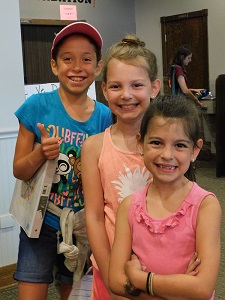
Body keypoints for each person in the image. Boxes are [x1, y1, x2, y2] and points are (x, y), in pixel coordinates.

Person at [13, 21, 112, 300]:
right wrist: (39, 154)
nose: (77, 67)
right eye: (67, 59)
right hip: (39, 224)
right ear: (55, 66)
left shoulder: (105, 117)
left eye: (86, 59)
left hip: (83, 225)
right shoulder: (36, 107)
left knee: (74, 295)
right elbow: (19, 169)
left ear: (98, 66)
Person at [109, 94, 221, 300]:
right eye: (156, 142)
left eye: (179, 145)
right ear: (140, 144)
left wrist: (140, 279)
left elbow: (202, 288)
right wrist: (176, 293)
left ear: (195, 150)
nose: (167, 154)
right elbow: (115, 280)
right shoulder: (129, 206)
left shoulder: (205, 206)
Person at [81, 35, 161, 300]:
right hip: (110, 267)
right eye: (116, 86)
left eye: (136, 85)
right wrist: (110, 275)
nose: (126, 95)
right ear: (104, 90)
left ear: (154, 87)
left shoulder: (166, 147)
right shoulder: (94, 147)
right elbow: (93, 216)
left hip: (163, 269)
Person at [168, 45, 207, 110]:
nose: (190, 60)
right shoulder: (178, 69)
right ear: (182, 57)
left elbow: (178, 88)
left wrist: (193, 90)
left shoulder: (173, 67)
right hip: (179, 103)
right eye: (188, 58)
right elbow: (185, 91)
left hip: (174, 102)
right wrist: (197, 101)